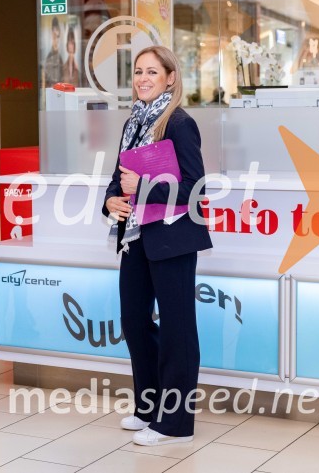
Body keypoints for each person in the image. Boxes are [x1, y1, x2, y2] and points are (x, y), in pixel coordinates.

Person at [102, 46, 212, 446]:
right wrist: (110, 201)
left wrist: (143, 187)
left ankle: (176, 423)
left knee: (178, 329)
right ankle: (149, 407)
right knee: (134, 321)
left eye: (152, 71)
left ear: (170, 77)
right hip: (135, 237)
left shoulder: (179, 123)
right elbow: (118, 179)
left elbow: (195, 188)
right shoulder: (133, 121)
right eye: (138, 71)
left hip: (172, 239)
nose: (143, 78)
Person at [43, 16, 64, 87]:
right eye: (53, 32)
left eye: (57, 36)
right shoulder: (48, 58)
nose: (55, 38)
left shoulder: (61, 57)